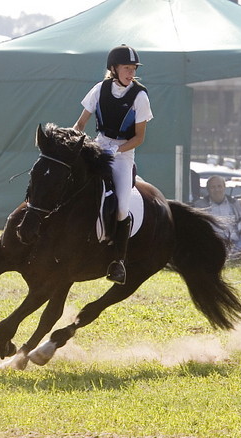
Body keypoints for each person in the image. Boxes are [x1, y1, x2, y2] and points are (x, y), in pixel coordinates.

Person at [73, 45, 153, 285]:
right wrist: (73, 141)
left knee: (120, 207)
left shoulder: (140, 96)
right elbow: (80, 124)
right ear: (114, 69)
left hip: (123, 153)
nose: (131, 72)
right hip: (98, 144)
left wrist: (116, 150)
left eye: (133, 68)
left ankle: (117, 261)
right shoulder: (99, 89)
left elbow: (139, 137)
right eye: (126, 68)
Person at [194, 175, 241, 259]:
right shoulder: (200, 206)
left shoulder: (235, 204)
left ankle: (236, 254)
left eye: (219, 186)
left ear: (224, 188)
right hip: (215, 243)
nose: (217, 190)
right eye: (213, 187)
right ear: (208, 190)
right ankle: (239, 255)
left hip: (235, 242)